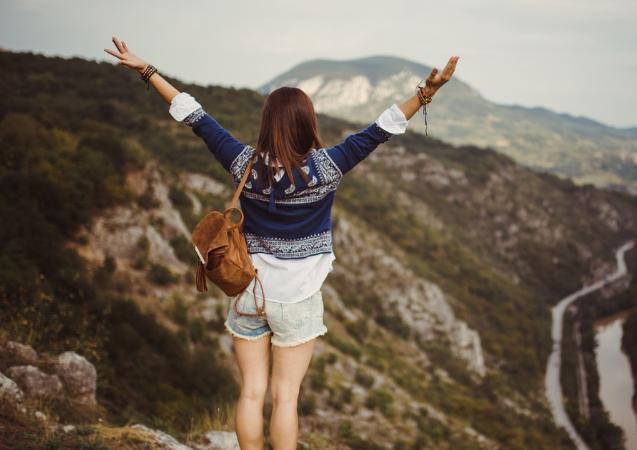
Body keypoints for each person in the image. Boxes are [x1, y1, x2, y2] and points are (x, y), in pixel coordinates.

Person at [104, 36, 458, 450]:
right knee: (284, 397)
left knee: (251, 393)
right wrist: (426, 92)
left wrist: (147, 72)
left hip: (248, 291)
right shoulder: (328, 167)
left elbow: (194, 115)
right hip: (298, 297)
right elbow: (383, 127)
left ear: (267, 122)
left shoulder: (243, 164)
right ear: (308, 123)